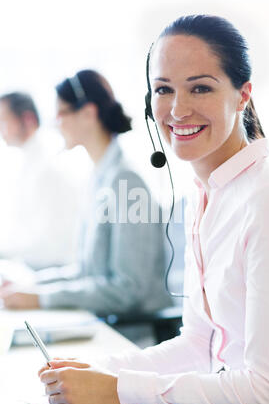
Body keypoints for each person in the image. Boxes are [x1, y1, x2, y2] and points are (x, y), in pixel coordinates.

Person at [38, 16, 269, 404]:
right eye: (163, 90)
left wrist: (119, 390)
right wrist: (104, 369)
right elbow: (199, 344)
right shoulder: (205, 195)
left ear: (242, 95)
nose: (177, 109)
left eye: (200, 87)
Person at [0, 69, 171, 321]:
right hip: (101, 322)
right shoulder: (98, 179)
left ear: (89, 113)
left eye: (61, 113)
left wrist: (41, 297)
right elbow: (86, 272)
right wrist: (32, 286)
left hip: (132, 334)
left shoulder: (127, 183)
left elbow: (129, 288)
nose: (55, 123)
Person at [0, 92, 81, 269]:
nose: (1, 131)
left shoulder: (48, 166)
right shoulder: (28, 164)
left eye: (4, 121)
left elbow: (51, 243)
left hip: (53, 269)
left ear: (27, 119)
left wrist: (5, 252)